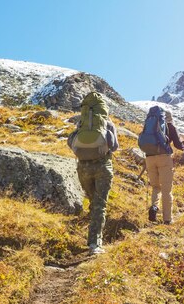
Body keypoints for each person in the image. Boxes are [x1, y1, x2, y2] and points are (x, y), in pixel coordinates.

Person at [68, 92, 118, 255]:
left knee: (92, 202)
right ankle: (95, 244)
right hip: (102, 167)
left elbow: (71, 141)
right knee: (99, 205)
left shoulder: (81, 123)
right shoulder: (107, 123)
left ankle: (92, 236)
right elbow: (115, 146)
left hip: (83, 168)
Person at [140, 107, 184, 224]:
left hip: (149, 158)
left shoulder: (150, 125)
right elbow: (178, 145)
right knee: (166, 189)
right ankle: (167, 219)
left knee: (156, 187)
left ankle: (154, 207)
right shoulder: (170, 126)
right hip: (164, 159)